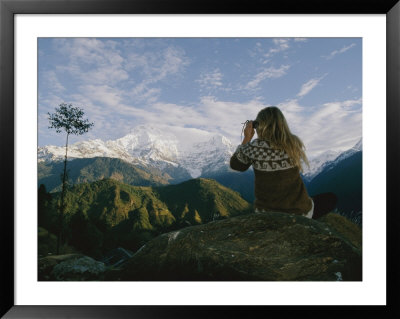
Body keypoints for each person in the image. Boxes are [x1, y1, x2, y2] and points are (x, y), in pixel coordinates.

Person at [230, 106, 337, 219]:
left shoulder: (254, 148)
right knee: (331, 198)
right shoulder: (293, 143)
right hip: (299, 212)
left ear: (260, 126)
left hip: (265, 213)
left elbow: (236, 165)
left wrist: (247, 137)